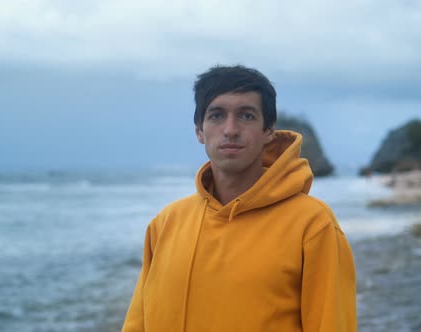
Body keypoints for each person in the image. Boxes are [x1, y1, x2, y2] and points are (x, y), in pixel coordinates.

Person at [122, 65, 357, 332]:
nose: (230, 129)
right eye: (217, 115)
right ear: (199, 130)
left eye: (246, 116)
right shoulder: (166, 224)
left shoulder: (313, 225)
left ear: (268, 130)